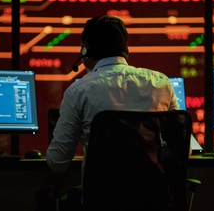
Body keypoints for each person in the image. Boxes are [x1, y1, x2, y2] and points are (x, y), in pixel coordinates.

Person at [46, 15, 179, 174]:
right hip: (154, 195)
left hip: (101, 197)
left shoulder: (78, 92)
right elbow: (183, 148)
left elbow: (57, 162)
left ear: (86, 51)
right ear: (125, 49)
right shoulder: (160, 83)